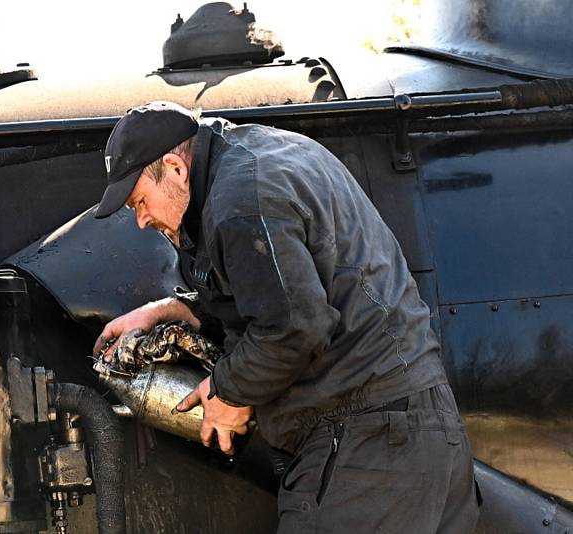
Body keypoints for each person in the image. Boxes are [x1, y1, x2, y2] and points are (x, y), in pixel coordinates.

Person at [91, 101, 479, 533]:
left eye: (140, 201)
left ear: (175, 169)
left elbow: (296, 327)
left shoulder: (239, 203)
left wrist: (230, 393)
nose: (142, 221)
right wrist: (172, 308)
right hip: (421, 433)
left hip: (367, 445)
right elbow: (277, 293)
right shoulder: (259, 156)